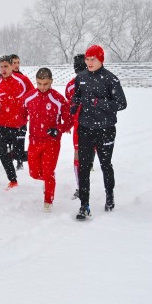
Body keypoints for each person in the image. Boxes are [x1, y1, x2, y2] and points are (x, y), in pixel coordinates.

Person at [71, 45, 127, 220]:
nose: (89, 62)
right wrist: (74, 105)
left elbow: (122, 104)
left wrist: (99, 102)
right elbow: (77, 96)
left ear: (101, 60)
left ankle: (109, 195)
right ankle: (84, 205)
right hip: (86, 128)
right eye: (87, 59)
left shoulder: (111, 79)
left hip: (105, 129)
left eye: (92, 59)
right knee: (84, 167)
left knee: (105, 164)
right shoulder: (80, 78)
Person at [21, 68, 73, 212]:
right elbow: (22, 114)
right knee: (34, 173)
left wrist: (59, 129)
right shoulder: (29, 97)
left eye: (45, 84)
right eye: (39, 84)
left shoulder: (58, 99)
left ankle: (48, 201)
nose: (42, 87)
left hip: (51, 142)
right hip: (34, 141)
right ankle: (47, 180)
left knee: (48, 173)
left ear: (51, 82)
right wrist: (20, 126)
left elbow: (69, 120)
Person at [0, 55, 34, 189]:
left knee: (18, 154)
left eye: (6, 67)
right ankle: (13, 180)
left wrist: (32, 113)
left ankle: (37, 157)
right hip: (3, 124)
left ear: (12, 67)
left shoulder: (22, 80)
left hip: (19, 124)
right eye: (1, 67)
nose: (3, 70)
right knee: (3, 154)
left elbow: (33, 96)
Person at [65, 54, 88, 200]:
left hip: (96, 127)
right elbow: (69, 107)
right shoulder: (70, 86)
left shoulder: (96, 82)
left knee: (86, 158)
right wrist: (68, 123)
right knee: (78, 158)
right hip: (79, 128)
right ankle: (81, 188)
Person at [10, 54, 33, 170]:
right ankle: (12, 156)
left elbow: (33, 92)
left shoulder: (23, 78)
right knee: (10, 140)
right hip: (8, 115)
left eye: (18, 62)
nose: (16, 65)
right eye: (14, 62)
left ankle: (20, 161)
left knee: (20, 138)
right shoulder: (3, 77)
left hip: (21, 114)